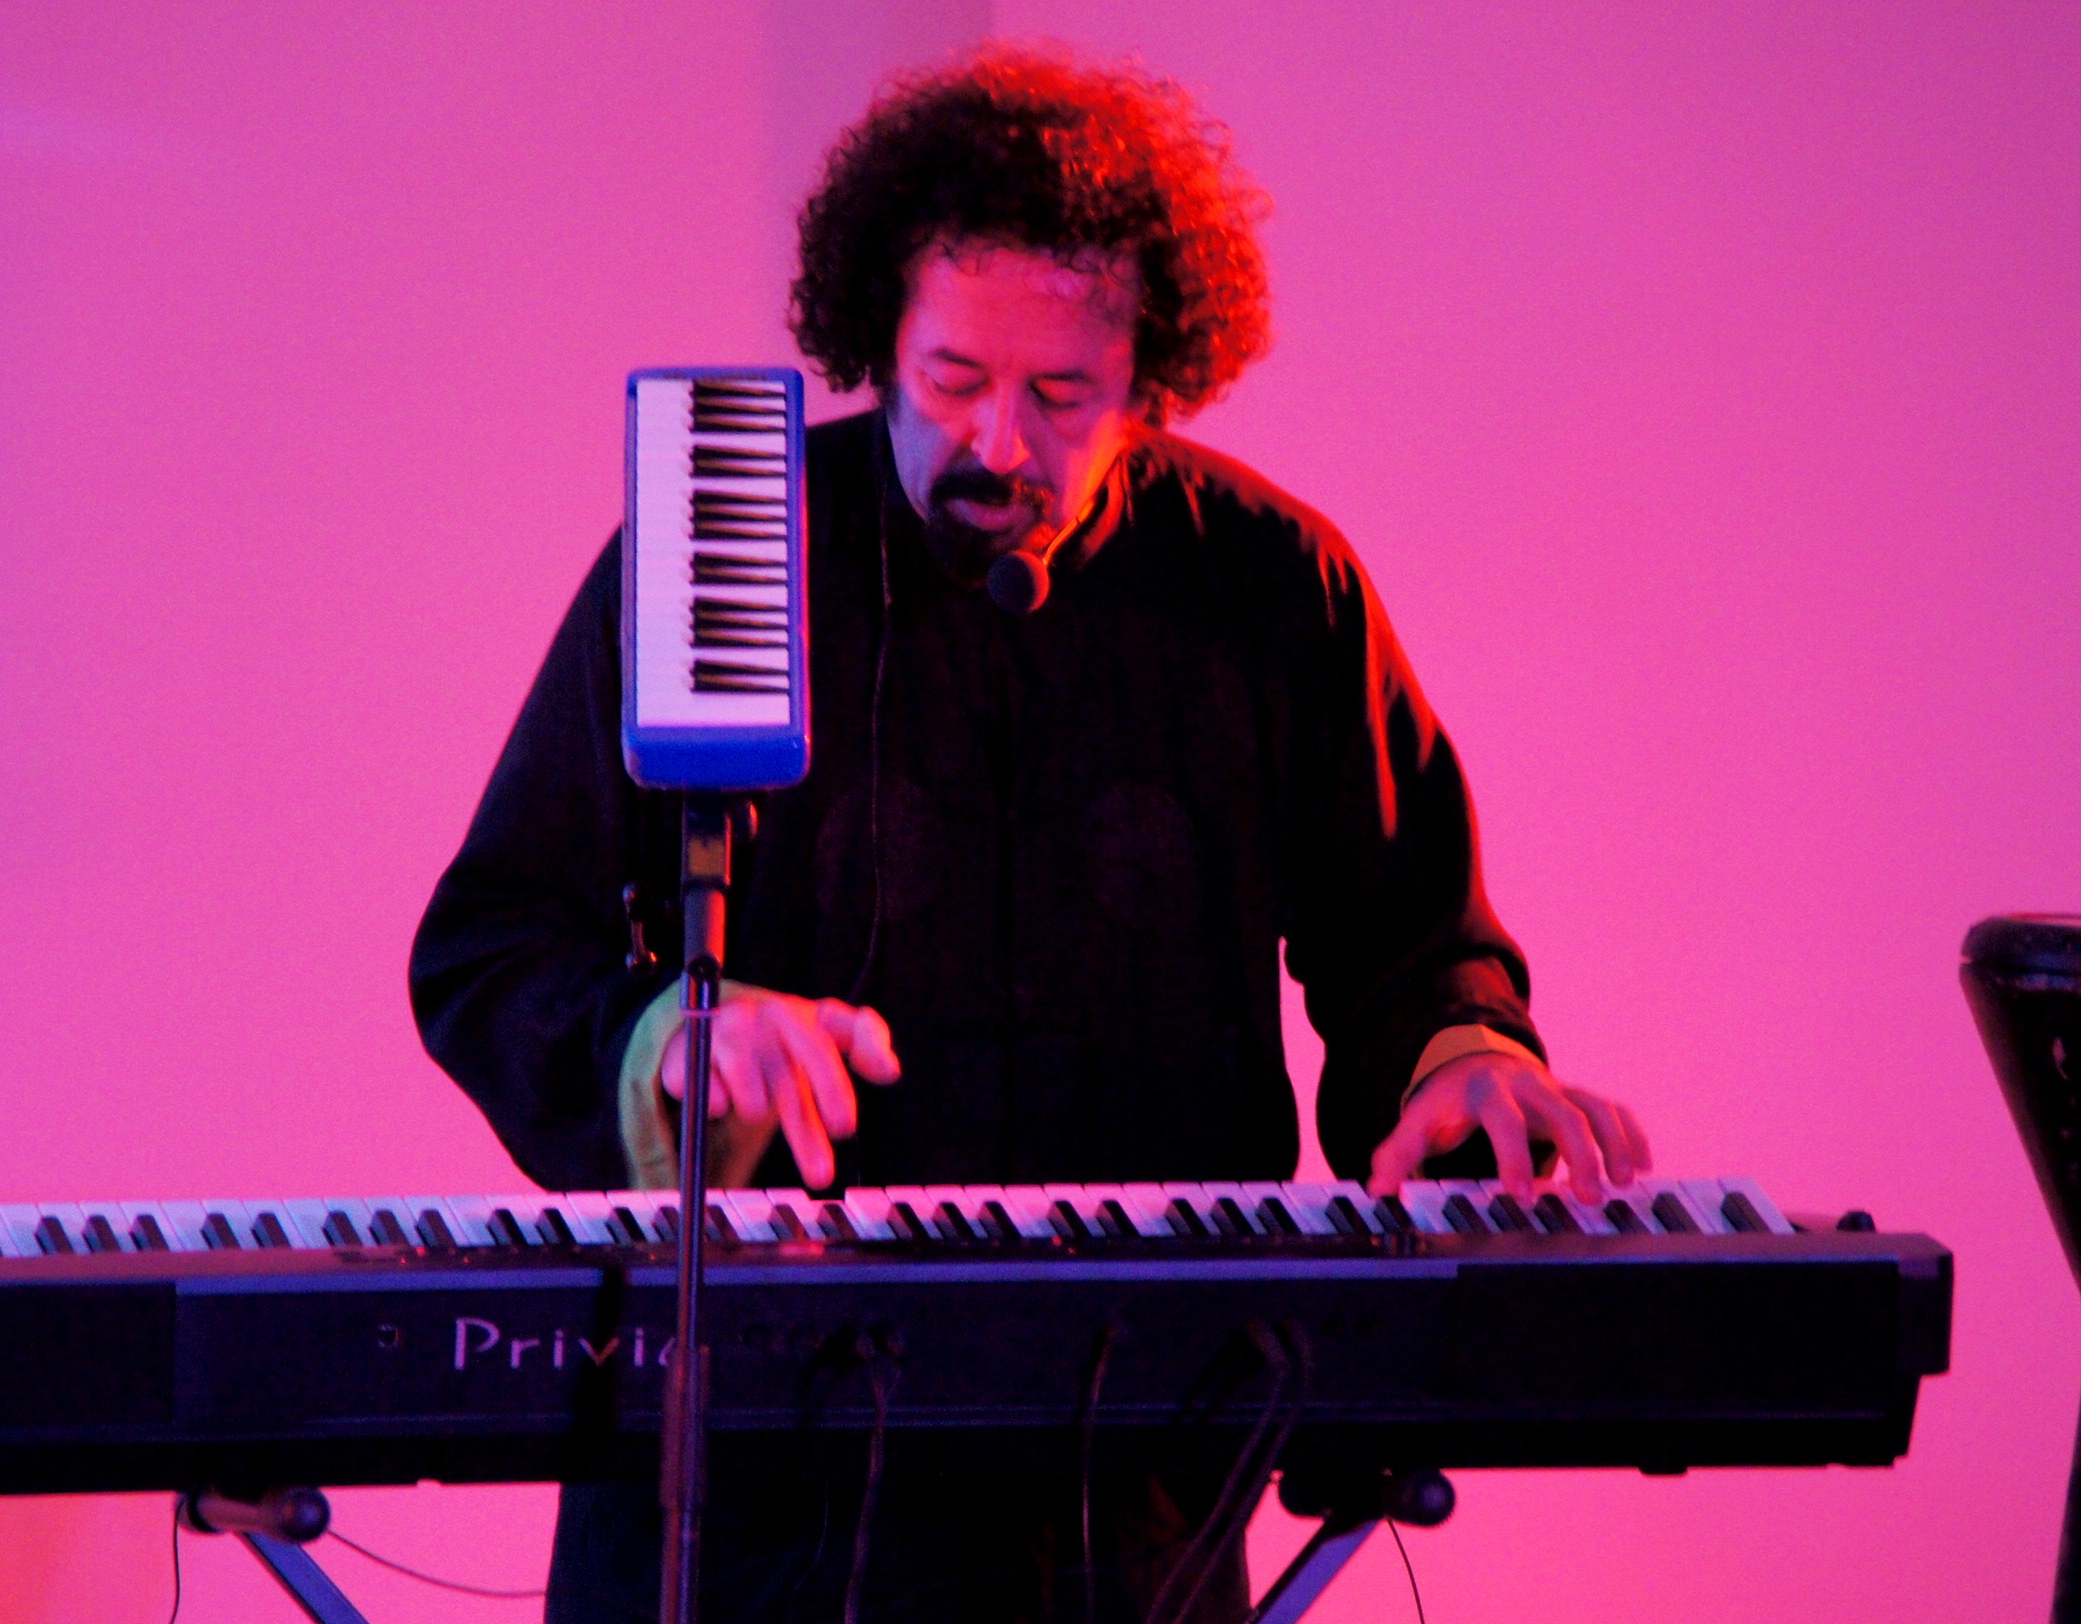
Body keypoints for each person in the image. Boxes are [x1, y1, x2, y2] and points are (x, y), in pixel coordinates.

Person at [411, 45, 1649, 1624]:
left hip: (1125, 1499)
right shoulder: (724, 562)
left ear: (1151, 373)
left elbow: (1409, 951)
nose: (999, 443)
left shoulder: (1275, 586)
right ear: (879, 341)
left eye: (1062, 395)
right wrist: (673, 1041)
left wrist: (1463, 1065)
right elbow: (494, 948)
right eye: (952, 381)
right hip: (742, 1491)